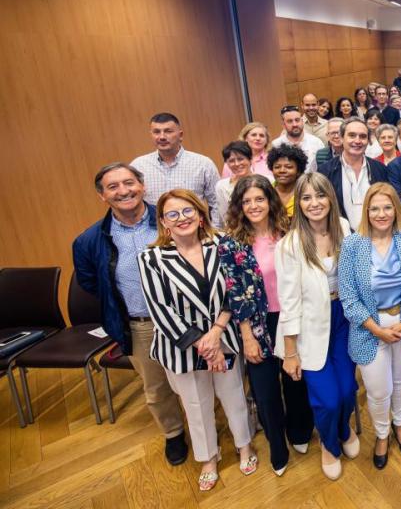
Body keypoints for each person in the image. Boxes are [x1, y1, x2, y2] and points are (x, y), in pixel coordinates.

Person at [137, 189, 255, 490]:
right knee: (195, 403)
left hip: (224, 336)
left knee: (233, 396)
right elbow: (159, 308)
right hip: (181, 345)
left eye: (188, 211)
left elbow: (235, 290)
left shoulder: (223, 244)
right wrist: (202, 344)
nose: (182, 218)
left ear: (201, 215)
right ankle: (208, 457)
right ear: (163, 223)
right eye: (172, 214)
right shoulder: (151, 258)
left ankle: (244, 445)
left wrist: (215, 335)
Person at [72, 163, 187, 466]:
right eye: (113, 186)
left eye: (129, 182)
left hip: (185, 320)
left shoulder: (170, 220)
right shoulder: (89, 240)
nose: (123, 191)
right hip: (140, 325)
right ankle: (174, 434)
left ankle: (209, 427)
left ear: (142, 185)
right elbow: (89, 281)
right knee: (156, 386)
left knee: (197, 377)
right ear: (102, 196)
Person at [217, 175, 314, 476]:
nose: (253, 206)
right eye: (246, 201)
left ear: (270, 200)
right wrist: (247, 336)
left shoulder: (291, 232)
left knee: (296, 381)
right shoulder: (232, 242)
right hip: (257, 323)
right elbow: (235, 292)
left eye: (259, 199)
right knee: (266, 391)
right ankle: (277, 447)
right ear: (238, 206)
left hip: (292, 318)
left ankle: (300, 432)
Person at [276, 172, 359, 480]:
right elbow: (290, 302)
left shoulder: (343, 227)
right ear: (299, 204)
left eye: (320, 195)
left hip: (342, 320)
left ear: (330, 198)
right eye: (306, 197)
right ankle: (328, 444)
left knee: (348, 389)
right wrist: (290, 352)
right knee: (327, 398)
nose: (314, 203)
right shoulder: (290, 245)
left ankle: (343, 428)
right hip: (309, 328)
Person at [339, 183, 401, 469]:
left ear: (396, 209)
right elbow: (348, 297)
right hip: (368, 329)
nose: (381, 213)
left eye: (387, 207)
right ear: (366, 211)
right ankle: (382, 433)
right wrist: (378, 330)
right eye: (375, 208)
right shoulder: (352, 244)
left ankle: (399, 425)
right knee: (377, 390)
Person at [131, 112, 219, 208]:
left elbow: (216, 203)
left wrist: (214, 224)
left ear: (180, 135)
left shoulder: (203, 164)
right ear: (151, 135)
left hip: (192, 222)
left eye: (168, 131)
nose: (162, 137)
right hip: (153, 223)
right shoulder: (138, 166)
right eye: (156, 132)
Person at [319, 117, 389, 232]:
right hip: (341, 240)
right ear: (341, 138)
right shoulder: (325, 172)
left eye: (362, 136)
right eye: (352, 135)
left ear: (368, 141)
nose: (357, 141)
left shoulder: (380, 169)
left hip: (376, 237)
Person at [273, 105, 324, 173]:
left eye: (297, 120)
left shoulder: (316, 142)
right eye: (290, 121)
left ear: (302, 121)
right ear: (283, 125)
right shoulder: (276, 144)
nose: (295, 124)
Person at [213, 141, 252, 228]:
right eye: (231, 161)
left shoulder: (267, 180)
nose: (237, 164)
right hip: (238, 232)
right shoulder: (222, 186)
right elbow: (225, 217)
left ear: (250, 159)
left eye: (240, 159)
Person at [267, 144, 306, 217]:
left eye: (289, 167)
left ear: (298, 171)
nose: (282, 170)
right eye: (277, 167)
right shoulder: (266, 192)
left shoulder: (305, 192)